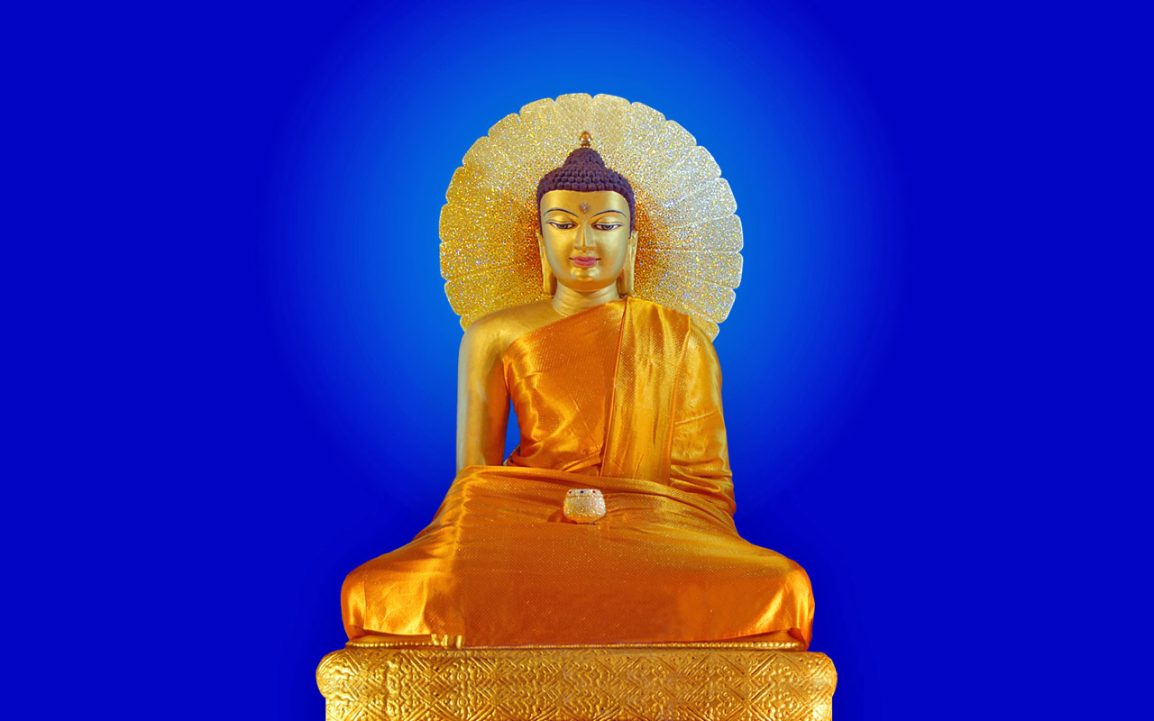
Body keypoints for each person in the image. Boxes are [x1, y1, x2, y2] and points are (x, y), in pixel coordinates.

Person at [341, 137, 814, 649]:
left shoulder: (678, 338)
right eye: (563, 224)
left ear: (632, 241)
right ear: (539, 238)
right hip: (526, 533)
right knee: (377, 589)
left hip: (656, 535)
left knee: (782, 585)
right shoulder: (491, 335)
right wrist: (546, 516)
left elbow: (705, 490)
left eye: (605, 225)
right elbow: (474, 488)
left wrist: (633, 515)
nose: (584, 241)